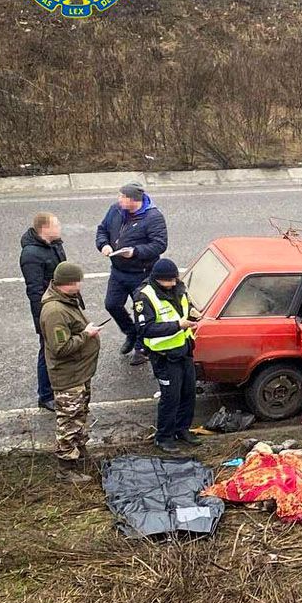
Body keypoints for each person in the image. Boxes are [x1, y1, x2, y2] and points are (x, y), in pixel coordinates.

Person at [38, 262, 101, 483]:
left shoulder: (66, 301)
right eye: (79, 281)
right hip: (69, 376)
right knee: (69, 421)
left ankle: (79, 454)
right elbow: (60, 348)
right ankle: (66, 469)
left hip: (79, 373)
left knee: (79, 416)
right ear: (70, 283)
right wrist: (87, 334)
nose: (81, 284)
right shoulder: (55, 311)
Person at [132, 258, 201, 454]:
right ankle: (164, 437)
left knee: (188, 393)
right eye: (169, 281)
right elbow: (146, 329)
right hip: (164, 356)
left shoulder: (178, 287)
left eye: (174, 280)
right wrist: (178, 325)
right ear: (158, 279)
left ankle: (182, 430)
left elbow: (184, 307)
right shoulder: (144, 297)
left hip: (184, 350)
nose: (173, 284)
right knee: (170, 398)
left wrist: (192, 314)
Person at [96, 182, 168, 365]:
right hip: (118, 271)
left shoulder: (153, 217)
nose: (118, 199)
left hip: (141, 273)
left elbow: (159, 244)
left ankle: (140, 347)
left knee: (141, 311)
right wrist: (103, 244)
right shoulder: (116, 210)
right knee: (112, 304)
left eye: (122, 197)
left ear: (133, 200)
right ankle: (131, 331)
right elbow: (102, 229)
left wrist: (135, 252)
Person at [20, 212, 66, 411]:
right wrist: (44, 318)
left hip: (61, 305)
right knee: (47, 350)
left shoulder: (55, 244)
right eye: (56, 224)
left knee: (61, 347)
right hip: (48, 311)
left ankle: (57, 387)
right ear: (45, 229)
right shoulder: (31, 255)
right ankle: (45, 395)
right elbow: (35, 290)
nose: (60, 227)